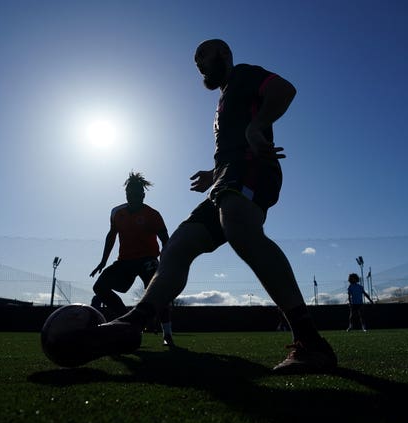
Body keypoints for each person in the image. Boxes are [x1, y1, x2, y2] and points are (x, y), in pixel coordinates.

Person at [79, 39, 337, 374]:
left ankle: (310, 341)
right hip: (226, 179)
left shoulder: (244, 75)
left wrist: (258, 127)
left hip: (254, 169)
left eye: (204, 56)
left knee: (240, 229)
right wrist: (214, 172)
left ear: (225, 55)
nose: (198, 64)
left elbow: (285, 90)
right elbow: (232, 147)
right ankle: (134, 322)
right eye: (195, 61)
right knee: (179, 245)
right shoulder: (223, 101)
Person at [89, 171, 175, 346]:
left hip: (148, 260)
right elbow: (111, 235)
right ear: (126, 194)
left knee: (160, 292)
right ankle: (128, 323)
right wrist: (103, 261)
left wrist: (167, 263)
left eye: (137, 194)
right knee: (99, 287)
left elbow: (166, 241)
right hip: (125, 261)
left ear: (143, 195)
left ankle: (167, 334)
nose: (133, 197)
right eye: (130, 193)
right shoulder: (117, 212)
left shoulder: (153, 214)